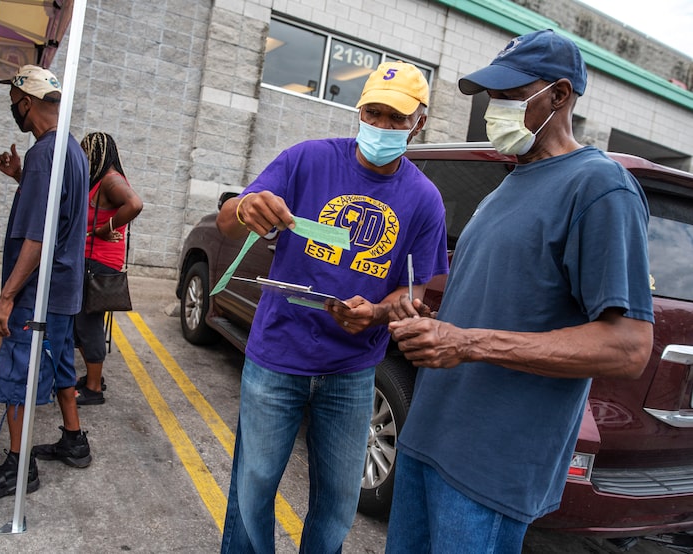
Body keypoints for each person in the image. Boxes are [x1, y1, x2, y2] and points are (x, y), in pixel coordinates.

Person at [385, 30, 654, 553]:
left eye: (510, 95)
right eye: (492, 96)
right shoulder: (510, 182)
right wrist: (417, 313)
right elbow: (495, 301)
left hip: (490, 470)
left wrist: (468, 344)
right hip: (428, 439)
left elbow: (627, 347)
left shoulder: (600, 187)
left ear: (558, 95)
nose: (495, 108)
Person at [216, 61, 449, 553]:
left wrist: (379, 313)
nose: (382, 127)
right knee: (253, 487)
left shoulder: (423, 200)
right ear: (358, 111)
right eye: (374, 113)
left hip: (352, 370)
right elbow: (227, 222)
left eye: (396, 118)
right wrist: (244, 207)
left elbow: (417, 294)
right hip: (277, 357)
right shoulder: (307, 160)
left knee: (340, 501)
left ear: (419, 123)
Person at [0, 65, 90, 501]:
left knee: (21, 373)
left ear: (26, 103)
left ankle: (19, 469)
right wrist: (20, 176)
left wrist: (6, 299)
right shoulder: (71, 148)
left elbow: (38, 236)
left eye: (13, 104)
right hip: (64, 289)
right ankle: (74, 440)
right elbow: (61, 210)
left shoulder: (43, 155)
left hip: (37, 293)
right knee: (59, 364)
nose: (12, 111)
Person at [73, 131, 143, 405]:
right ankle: (93, 377)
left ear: (96, 153)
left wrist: (104, 229)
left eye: (85, 152)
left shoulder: (111, 180)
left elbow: (135, 204)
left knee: (87, 326)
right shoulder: (102, 181)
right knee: (81, 325)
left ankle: (93, 389)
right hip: (92, 262)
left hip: (98, 264)